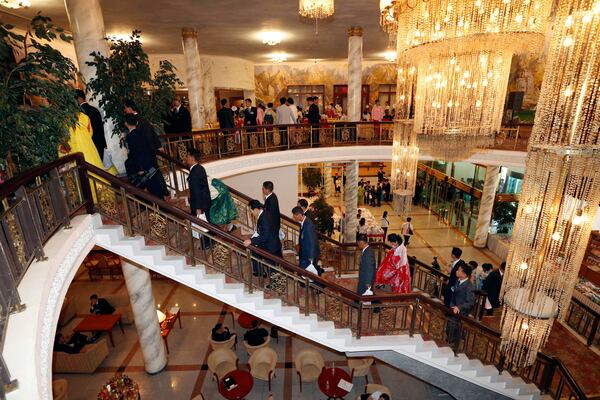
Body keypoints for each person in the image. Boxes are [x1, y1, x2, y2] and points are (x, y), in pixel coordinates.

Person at [124, 114, 169, 199]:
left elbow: (136, 153)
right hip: (150, 164)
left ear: (126, 123)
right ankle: (161, 206)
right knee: (154, 188)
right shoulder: (141, 132)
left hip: (143, 166)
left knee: (147, 188)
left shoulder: (131, 136)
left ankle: (160, 207)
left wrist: (140, 168)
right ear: (136, 122)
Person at [244, 200, 282, 276]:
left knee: (272, 267)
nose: (251, 212)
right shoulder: (264, 213)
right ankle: (260, 272)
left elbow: (265, 236)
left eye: (251, 210)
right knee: (255, 252)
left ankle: (275, 285)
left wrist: (251, 241)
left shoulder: (264, 217)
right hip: (272, 242)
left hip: (271, 246)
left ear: (255, 209)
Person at [446, 263, 475, 345]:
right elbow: (454, 295)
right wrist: (452, 306)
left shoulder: (469, 286)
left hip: (461, 311)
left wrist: (459, 307)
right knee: (451, 325)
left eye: (459, 270)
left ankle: (452, 343)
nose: (457, 271)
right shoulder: (458, 281)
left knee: (452, 326)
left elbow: (470, 302)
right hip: (453, 308)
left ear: (464, 274)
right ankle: (454, 339)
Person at [75, 89, 107, 159]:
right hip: (100, 142)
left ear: (79, 99)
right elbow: (101, 127)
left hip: (89, 145)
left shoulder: (80, 113)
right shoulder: (94, 109)